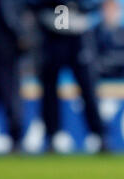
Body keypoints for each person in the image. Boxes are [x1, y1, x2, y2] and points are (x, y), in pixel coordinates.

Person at [28, 0, 106, 153]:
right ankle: (52, 136)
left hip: (78, 33)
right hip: (51, 32)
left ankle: (99, 136)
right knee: (49, 89)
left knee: (87, 87)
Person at [0, 0, 30, 152]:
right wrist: (22, 36)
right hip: (4, 51)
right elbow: (9, 17)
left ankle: (15, 139)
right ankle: (16, 139)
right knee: (10, 96)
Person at [95, 0, 124, 80]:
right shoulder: (95, 32)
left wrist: (107, 60)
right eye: (107, 10)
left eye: (113, 10)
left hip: (120, 78)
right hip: (100, 77)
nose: (110, 14)